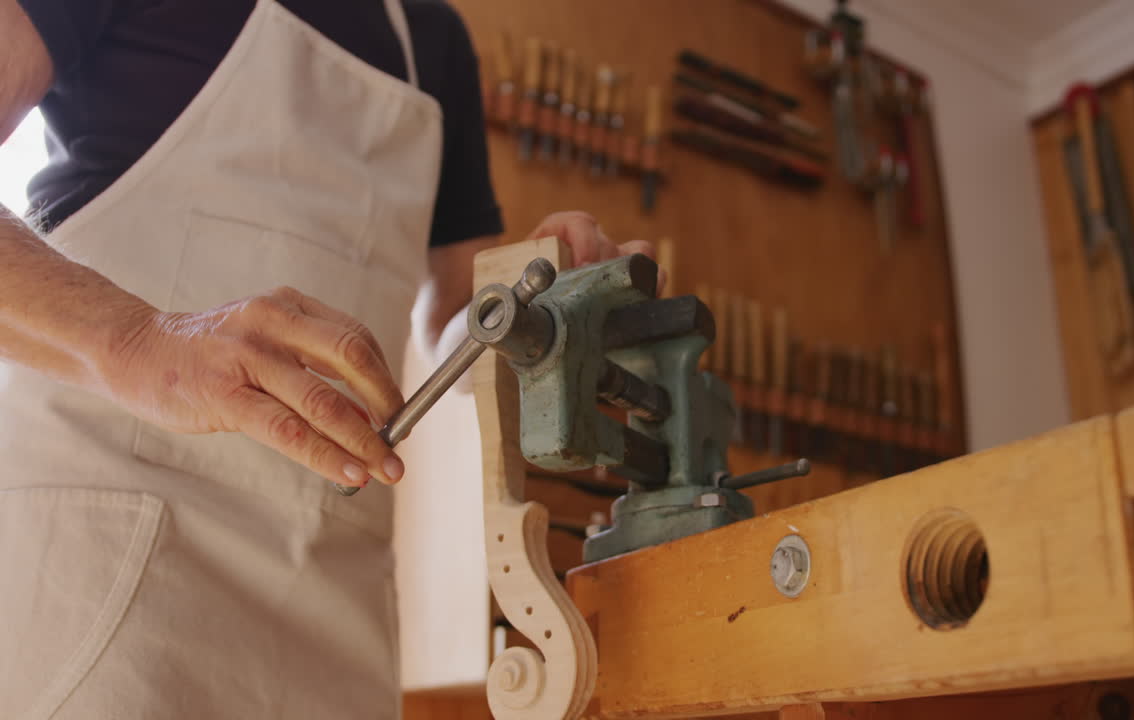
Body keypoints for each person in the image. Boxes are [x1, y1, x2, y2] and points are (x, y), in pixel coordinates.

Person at [0, 0, 652, 716]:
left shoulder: (432, 38)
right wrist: (138, 341)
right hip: (106, 551)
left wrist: (532, 315)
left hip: (333, 592)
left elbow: (452, 323)